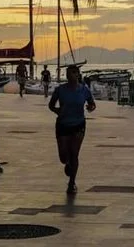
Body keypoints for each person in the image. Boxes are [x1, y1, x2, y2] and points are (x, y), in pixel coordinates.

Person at [48, 64, 95, 195]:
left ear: (78, 75)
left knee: (74, 153)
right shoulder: (60, 90)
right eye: (69, 74)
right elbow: (51, 105)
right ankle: (68, 163)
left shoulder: (84, 90)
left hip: (78, 125)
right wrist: (57, 111)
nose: (71, 76)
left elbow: (92, 103)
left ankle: (72, 182)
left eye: (74, 73)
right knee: (63, 157)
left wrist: (91, 107)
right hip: (63, 124)